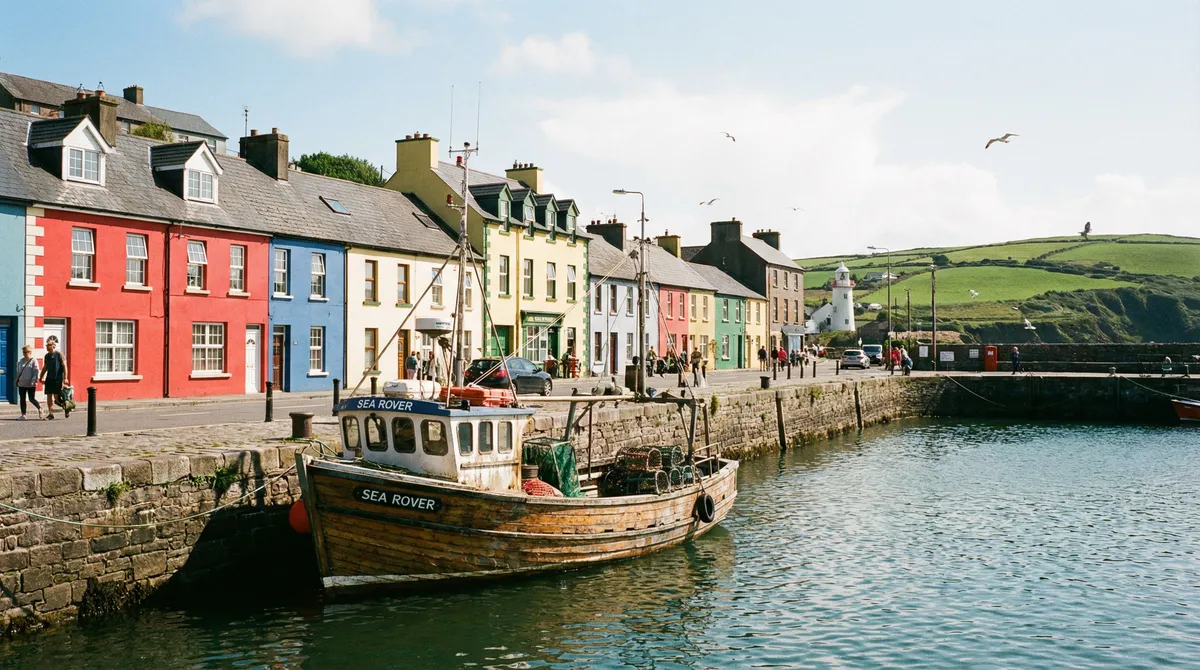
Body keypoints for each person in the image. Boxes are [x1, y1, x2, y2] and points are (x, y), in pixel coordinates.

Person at [39, 338, 68, 419]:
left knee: (56, 397)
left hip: (57, 378)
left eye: (49, 345)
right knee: (49, 395)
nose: (47, 347)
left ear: (53, 346)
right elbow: (45, 367)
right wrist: (41, 376)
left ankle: (66, 406)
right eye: (46, 345)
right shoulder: (47, 356)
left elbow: (65, 366)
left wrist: (65, 378)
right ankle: (51, 414)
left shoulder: (59, 354)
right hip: (49, 378)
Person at [14, 345, 42, 420]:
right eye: (24, 352)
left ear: (30, 352)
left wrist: (33, 380)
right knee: (22, 399)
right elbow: (19, 372)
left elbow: (36, 371)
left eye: (26, 352)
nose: (25, 353)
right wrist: (16, 380)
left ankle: (39, 408)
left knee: (31, 399)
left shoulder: (33, 361)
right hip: (22, 383)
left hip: (31, 383)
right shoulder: (21, 361)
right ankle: (23, 415)